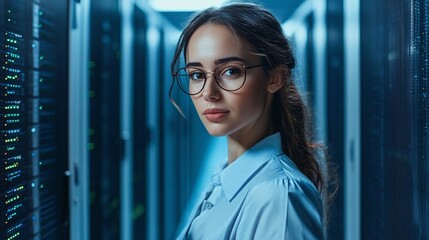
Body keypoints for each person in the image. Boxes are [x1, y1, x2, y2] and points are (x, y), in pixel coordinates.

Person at [169, 2, 334, 239]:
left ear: (275, 78)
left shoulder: (278, 196)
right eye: (197, 75)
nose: (209, 93)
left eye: (231, 71)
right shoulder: (226, 178)